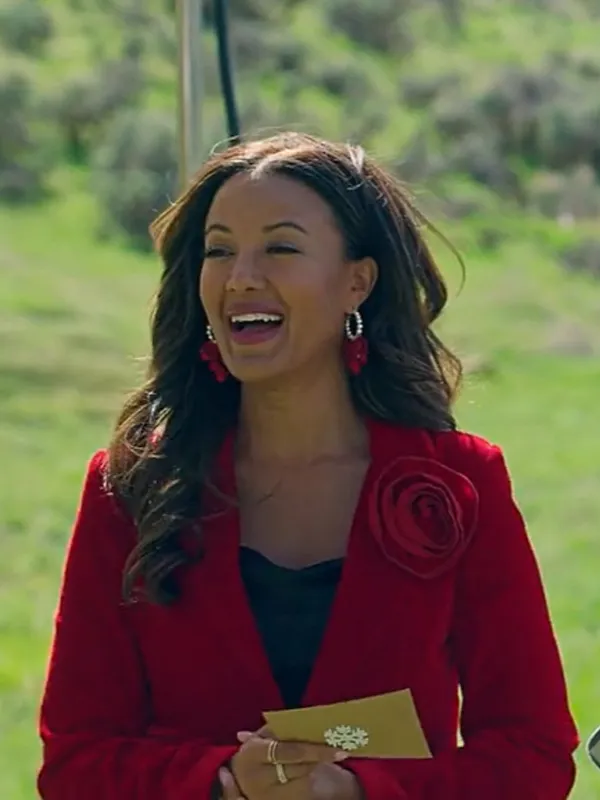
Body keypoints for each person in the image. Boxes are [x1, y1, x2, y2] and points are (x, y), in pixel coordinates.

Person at [37, 132, 579, 800]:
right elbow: (74, 762)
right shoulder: (132, 485)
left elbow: (534, 755)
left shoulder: (463, 483)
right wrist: (225, 782)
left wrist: (359, 791)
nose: (241, 277)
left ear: (358, 281)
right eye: (219, 250)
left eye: (281, 248)